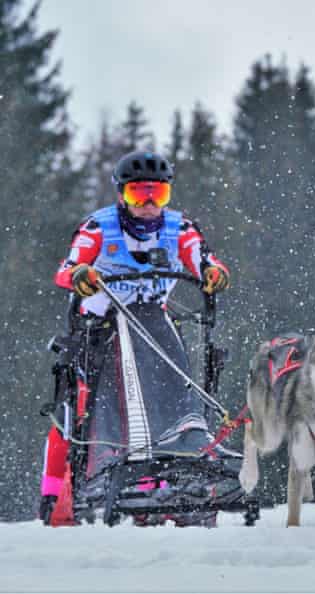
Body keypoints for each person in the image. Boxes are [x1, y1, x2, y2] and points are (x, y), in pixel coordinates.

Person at [39, 151, 230, 527]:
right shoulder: (99, 227)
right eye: (137, 195)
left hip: (152, 324)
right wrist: (81, 273)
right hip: (98, 329)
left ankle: (184, 441)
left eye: (156, 195)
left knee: (168, 364)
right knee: (93, 401)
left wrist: (214, 272)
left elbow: (204, 259)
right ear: (121, 195)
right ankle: (95, 470)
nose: (146, 205)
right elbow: (67, 269)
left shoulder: (179, 228)